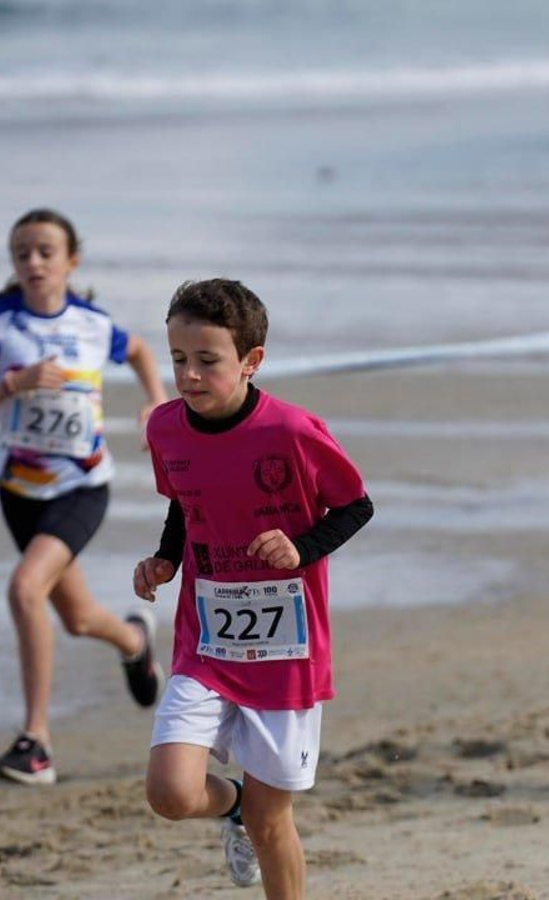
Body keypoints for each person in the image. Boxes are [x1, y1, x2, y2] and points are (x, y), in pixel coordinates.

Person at [134, 279, 373, 897]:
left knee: (271, 823)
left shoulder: (291, 431)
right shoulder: (165, 429)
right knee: (170, 793)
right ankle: (231, 803)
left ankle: (252, 816)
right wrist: (165, 560)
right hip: (207, 644)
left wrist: (301, 549)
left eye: (206, 360)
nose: (188, 375)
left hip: (285, 652)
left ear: (250, 360)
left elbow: (356, 506)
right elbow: (185, 503)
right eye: (178, 359)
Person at [0, 209, 169, 785]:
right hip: (19, 491)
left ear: (72, 261)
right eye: (22, 253)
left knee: (24, 589)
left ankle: (36, 743)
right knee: (75, 617)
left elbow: (139, 350)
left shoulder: (92, 324)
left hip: (82, 487)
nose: (34, 262)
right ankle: (133, 640)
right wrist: (10, 384)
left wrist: (155, 401)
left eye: (46, 251)